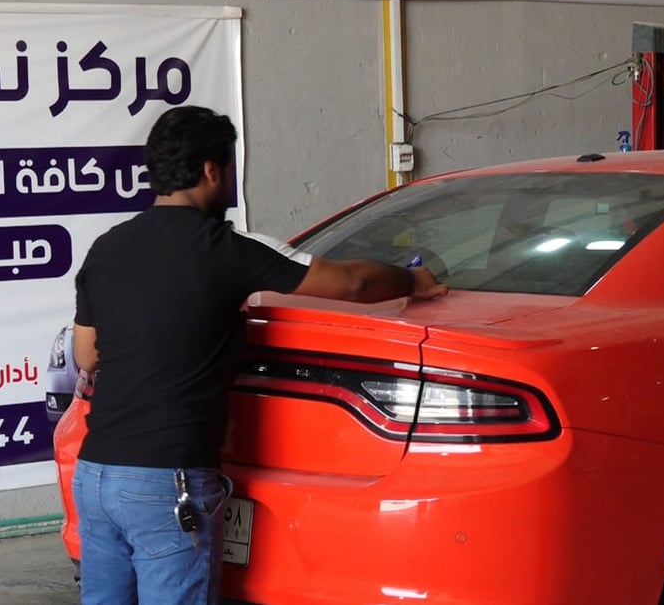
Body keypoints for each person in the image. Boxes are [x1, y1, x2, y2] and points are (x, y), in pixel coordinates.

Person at [70, 105, 448, 605]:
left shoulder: (107, 248)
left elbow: (87, 354)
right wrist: (411, 279)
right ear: (212, 170)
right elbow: (352, 284)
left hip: (96, 475)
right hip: (166, 481)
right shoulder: (225, 248)